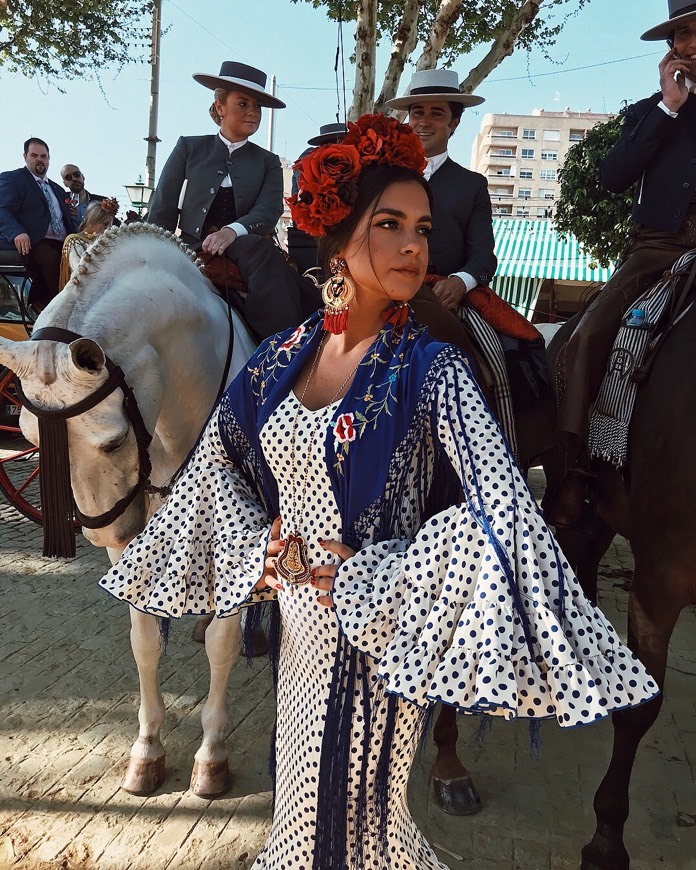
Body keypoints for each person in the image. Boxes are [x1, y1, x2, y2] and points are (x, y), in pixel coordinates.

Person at [100, 114, 658, 869]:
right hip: (297, 642)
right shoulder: (278, 360)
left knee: (356, 829)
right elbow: (213, 471)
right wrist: (256, 549)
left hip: (377, 653)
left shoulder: (433, 370)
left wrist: (374, 573)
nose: (413, 247)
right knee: (296, 812)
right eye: (389, 224)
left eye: (421, 228)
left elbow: (507, 518)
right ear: (336, 240)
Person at [547, 0, 696, 529]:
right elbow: (613, 177)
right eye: (684, 36)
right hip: (657, 251)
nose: (694, 44)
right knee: (588, 336)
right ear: (671, 49)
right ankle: (578, 474)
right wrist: (669, 108)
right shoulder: (647, 112)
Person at [147, 61, 316, 339]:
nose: (253, 112)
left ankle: (279, 347)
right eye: (243, 103)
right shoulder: (188, 148)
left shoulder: (268, 161)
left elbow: (270, 208)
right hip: (192, 244)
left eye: (257, 106)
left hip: (249, 247)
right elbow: (163, 206)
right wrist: (154, 252)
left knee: (266, 257)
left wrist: (232, 231)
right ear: (220, 106)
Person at [386, 69, 497, 311]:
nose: (424, 122)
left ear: (454, 123)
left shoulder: (472, 185)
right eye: (418, 113)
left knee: (514, 344)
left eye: (436, 114)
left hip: (445, 296)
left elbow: (484, 258)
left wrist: (461, 282)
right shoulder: (383, 175)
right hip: (381, 287)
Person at [0, 137, 76, 309]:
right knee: (52, 259)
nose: (39, 160)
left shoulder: (58, 189)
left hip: (63, 241)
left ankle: (43, 302)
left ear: (49, 159)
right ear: (25, 156)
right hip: (33, 239)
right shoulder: (13, 179)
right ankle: (61, 307)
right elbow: (2, 209)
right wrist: (17, 232)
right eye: (34, 155)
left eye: (44, 156)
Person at [59, 197, 119, 287]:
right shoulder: (74, 241)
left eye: (111, 224)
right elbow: (80, 272)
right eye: (105, 224)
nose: (109, 229)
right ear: (92, 221)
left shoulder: (105, 242)